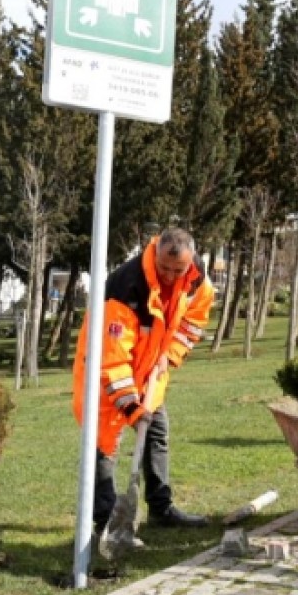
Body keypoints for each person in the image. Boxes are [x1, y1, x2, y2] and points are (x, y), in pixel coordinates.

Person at [72, 226, 215, 539]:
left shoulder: (196, 280)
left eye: (177, 270)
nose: (170, 276)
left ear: (190, 264)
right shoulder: (126, 286)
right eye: (165, 268)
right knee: (102, 444)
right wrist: (131, 407)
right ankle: (106, 521)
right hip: (104, 373)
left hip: (150, 369)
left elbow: (195, 320)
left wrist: (172, 355)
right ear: (156, 253)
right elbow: (112, 359)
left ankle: (161, 509)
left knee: (157, 430)